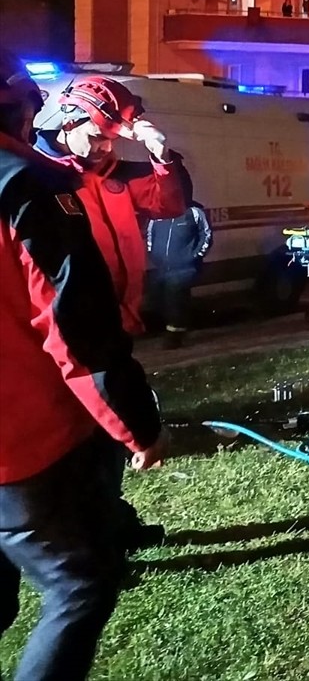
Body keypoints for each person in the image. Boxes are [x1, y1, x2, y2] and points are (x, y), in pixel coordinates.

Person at [0, 49, 167, 681]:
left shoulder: (104, 179)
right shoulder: (31, 185)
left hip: (43, 414)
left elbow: (170, 198)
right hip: (23, 437)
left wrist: (156, 148)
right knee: (80, 583)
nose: (103, 144)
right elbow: (74, 330)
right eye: (96, 132)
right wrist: (138, 425)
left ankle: (114, 515)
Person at [34, 75, 186, 335]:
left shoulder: (114, 173)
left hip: (118, 320)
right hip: (67, 328)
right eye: (96, 137)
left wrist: (161, 156)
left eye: (111, 139)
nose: (105, 148)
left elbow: (169, 207)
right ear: (69, 123)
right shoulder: (36, 175)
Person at [145, 169, 212, 349]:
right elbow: (150, 234)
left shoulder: (194, 212)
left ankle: (175, 336)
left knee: (175, 297)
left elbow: (206, 235)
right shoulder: (158, 212)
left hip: (185, 267)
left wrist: (194, 256)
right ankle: (178, 327)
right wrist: (153, 254)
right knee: (158, 298)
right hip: (162, 266)